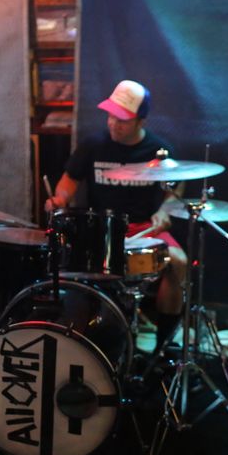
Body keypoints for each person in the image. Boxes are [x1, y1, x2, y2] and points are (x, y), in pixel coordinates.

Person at [45, 80, 188, 354]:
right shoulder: (93, 145)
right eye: (110, 116)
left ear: (141, 120)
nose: (113, 123)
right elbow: (67, 184)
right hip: (99, 228)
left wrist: (165, 210)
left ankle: (163, 348)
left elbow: (176, 187)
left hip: (143, 228)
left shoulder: (158, 150)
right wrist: (58, 200)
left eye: (122, 119)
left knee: (179, 262)